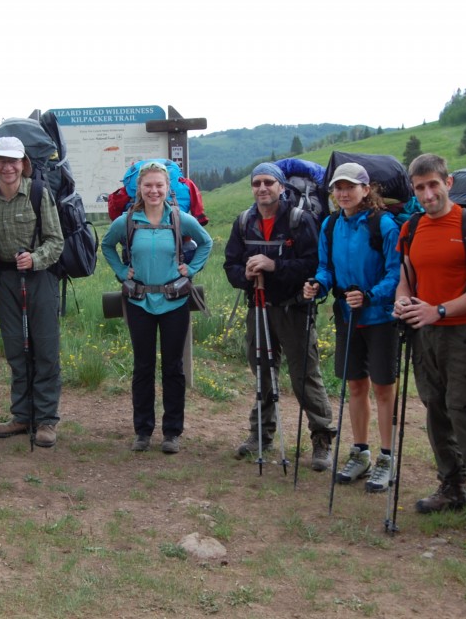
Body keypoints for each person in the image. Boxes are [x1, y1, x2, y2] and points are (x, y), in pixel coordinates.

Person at [393, 153, 466, 538]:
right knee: (436, 410)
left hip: (465, 335)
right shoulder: (410, 229)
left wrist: (439, 311)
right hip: (424, 334)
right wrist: (402, 300)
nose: (427, 194)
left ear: (448, 182)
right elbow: (407, 278)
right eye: (420, 187)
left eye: (433, 185)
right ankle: (452, 487)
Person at [224, 162, 335, 470]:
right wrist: (245, 275)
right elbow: (230, 265)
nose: (262, 188)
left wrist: (273, 266)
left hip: (294, 309)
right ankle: (260, 435)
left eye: (268, 182)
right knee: (262, 373)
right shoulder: (244, 221)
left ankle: (322, 439)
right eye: (256, 183)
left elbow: (313, 264)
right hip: (257, 307)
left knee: (304, 376)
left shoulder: (300, 221)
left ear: (282, 187)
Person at [101, 161, 213, 454]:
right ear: (139, 188)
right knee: (143, 367)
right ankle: (143, 431)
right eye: (148, 185)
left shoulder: (180, 218)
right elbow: (107, 245)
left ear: (168, 188)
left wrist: (191, 269)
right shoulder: (126, 221)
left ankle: (172, 432)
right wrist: (120, 271)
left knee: (173, 368)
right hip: (138, 302)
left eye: (159, 185)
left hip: (174, 301)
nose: (153, 190)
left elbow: (206, 242)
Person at [303, 163, 401, 493]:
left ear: (365, 189)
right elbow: (325, 267)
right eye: (337, 188)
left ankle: (387, 458)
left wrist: (371, 295)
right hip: (347, 315)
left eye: (349, 187)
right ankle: (361, 452)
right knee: (355, 387)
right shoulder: (331, 225)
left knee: (384, 389)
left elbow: (396, 272)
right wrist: (317, 283)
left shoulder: (383, 225)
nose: (343, 193)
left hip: (381, 317)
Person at [0, 136, 64, 448]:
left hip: (40, 278)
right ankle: (22, 416)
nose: (8, 167)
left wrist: (34, 259)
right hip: (4, 280)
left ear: (23, 163)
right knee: (15, 349)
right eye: (1, 161)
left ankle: (46, 419)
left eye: (14, 161)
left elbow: (55, 240)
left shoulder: (38, 193)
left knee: (45, 349)